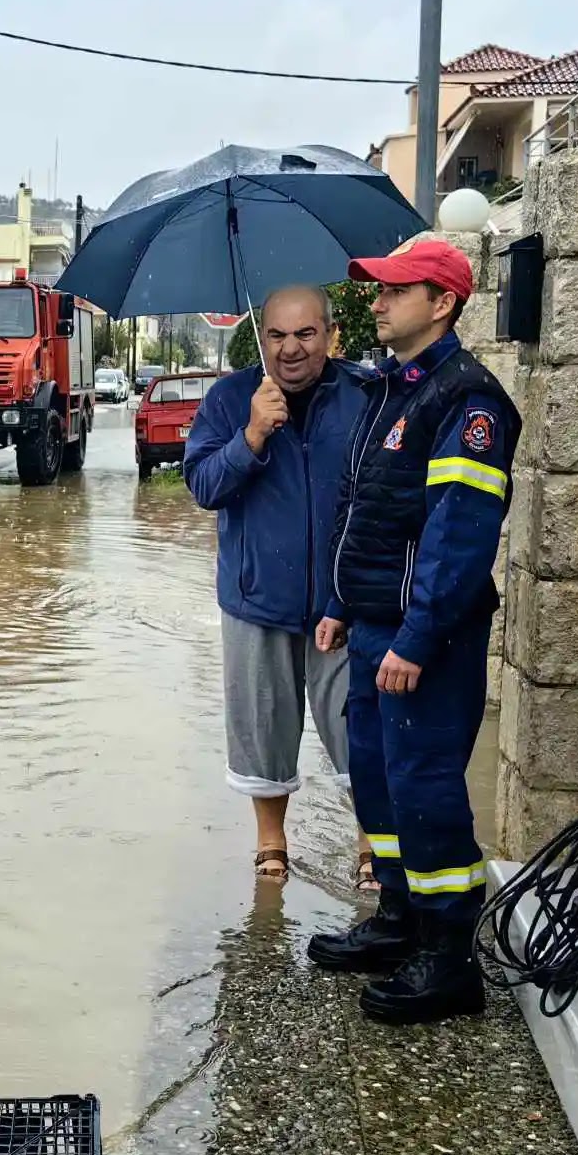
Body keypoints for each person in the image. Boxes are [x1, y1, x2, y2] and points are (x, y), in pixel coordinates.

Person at [308, 238, 521, 1026]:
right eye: (379, 288)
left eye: (398, 290)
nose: (379, 301)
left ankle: (448, 958)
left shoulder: (467, 401)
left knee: (426, 790)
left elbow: (459, 535)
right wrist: (341, 601)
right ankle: (399, 921)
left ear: (443, 303)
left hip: (424, 640)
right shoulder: (395, 390)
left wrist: (419, 637)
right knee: (377, 778)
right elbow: (366, 512)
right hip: (371, 625)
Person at [183, 285, 374, 886]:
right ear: (261, 338)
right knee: (263, 724)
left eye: (306, 334)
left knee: (359, 721)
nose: (291, 349)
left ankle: (372, 842)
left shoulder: (366, 395)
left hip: (347, 601)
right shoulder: (231, 399)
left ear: (331, 335)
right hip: (257, 600)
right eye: (277, 335)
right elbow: (203, 486)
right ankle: (271, 841)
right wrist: (252, 437)